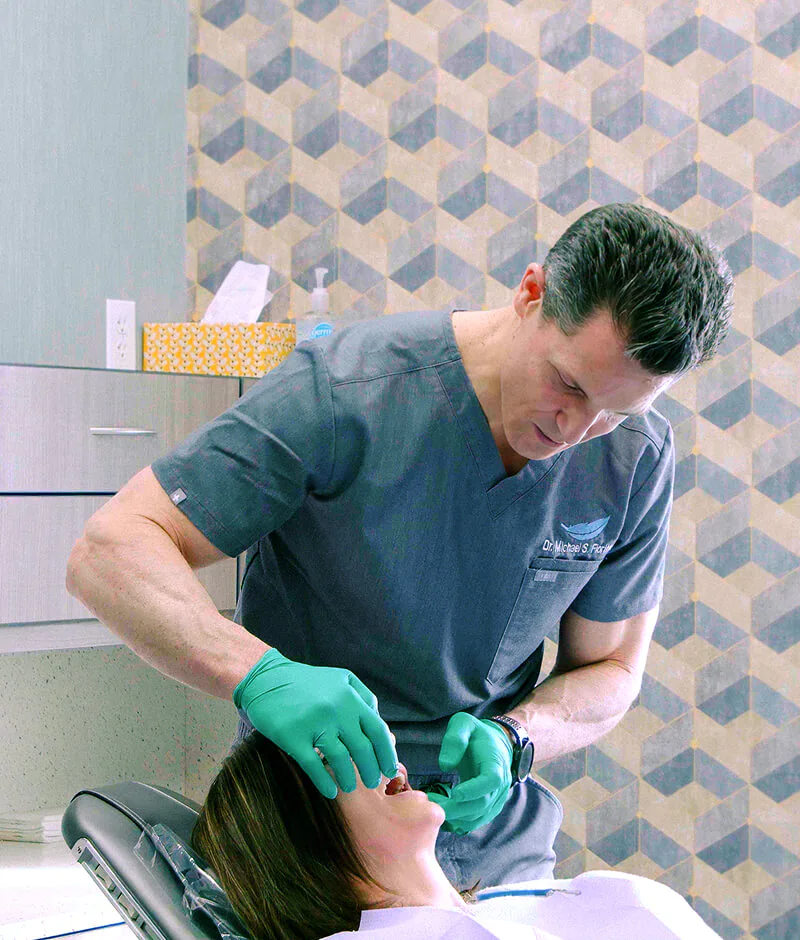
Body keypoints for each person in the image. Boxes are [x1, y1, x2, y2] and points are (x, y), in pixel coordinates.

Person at [66, 202, 735, 893]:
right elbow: (111, 549)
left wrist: (518, 737)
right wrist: (258, 673)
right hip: (313, 843)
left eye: (616, 410)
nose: (576, 429)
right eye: (568, 384)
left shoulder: (634, 458)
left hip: (497, 855)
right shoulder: (344, 392)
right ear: (530, 293)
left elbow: (614, 669)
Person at [189, 726, 723, 940]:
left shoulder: (508, 905)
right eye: (342, 760)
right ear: (299, 840)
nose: (391, 762)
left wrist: (512, 732)